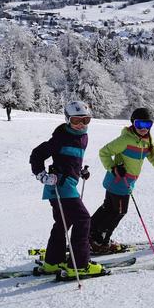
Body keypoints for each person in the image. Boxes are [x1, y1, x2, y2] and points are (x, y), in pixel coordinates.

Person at [90, 107, 154, 253]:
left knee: (108, 209)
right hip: (118, 181)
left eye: (148, 125)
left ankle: (90, 234)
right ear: (133, 123)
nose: (144, 129)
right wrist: (113, 168)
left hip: (127, 183)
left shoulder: (148, 142)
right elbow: (104, 152)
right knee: (118, 212)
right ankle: (100, 241)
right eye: (140, 125)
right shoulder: (125, 140)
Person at [29, 100, 100, 278]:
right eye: (76, 121)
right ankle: (79, 264)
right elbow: (37, 154)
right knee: (83, 219)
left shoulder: (83, 137)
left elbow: (69, 159)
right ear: (68, 120)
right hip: (61, 187)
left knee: (63, 223)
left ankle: (53, 262)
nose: (81, 125)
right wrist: (42, 176)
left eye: (86, 120)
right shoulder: (60, 138)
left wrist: (79, 171)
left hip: (66, 184)